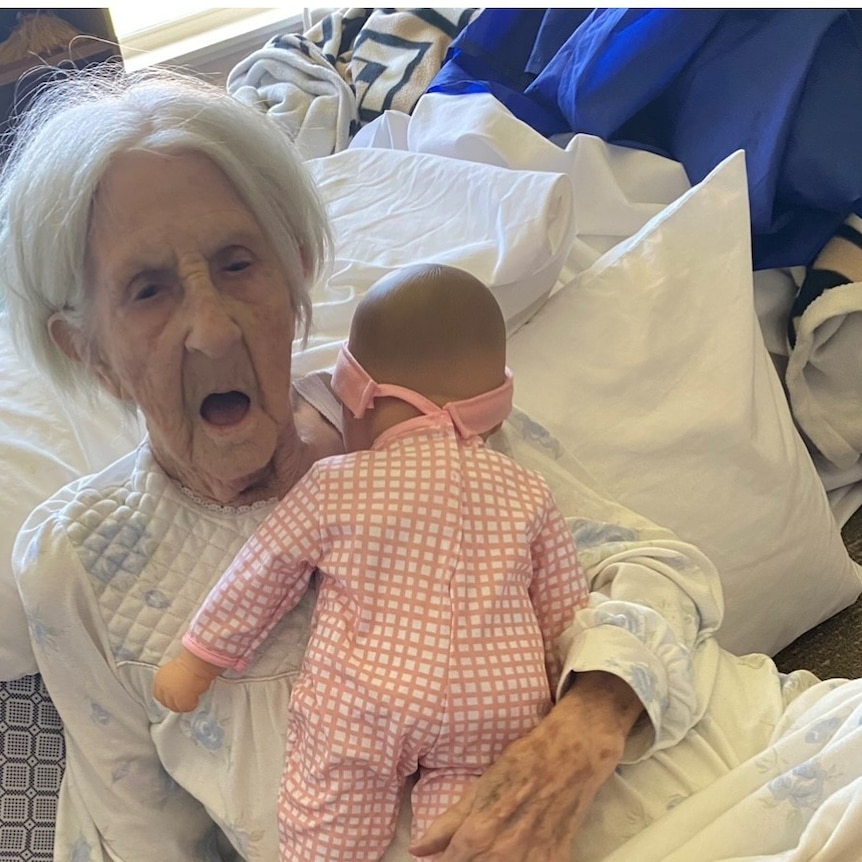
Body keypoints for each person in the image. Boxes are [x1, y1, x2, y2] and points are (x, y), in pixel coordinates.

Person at [3, 65, 858, 862]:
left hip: (767, 765)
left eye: (239, 265)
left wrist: (592, 716)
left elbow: (659, 569)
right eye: (149, 289)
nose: (216, 329)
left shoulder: (412, 411)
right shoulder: (77, 564)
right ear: (87, 352)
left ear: (296, 275)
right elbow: (140, 837)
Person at [153, 263, 591, 860]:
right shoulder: (526, 489)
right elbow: (564, 609)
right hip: (498, 702)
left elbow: (264, 570)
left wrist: (197, 659)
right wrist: (567, 688)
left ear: (364, 400)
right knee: (470, 828)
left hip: (369, 695)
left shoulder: (341, 481)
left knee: (329, 815)